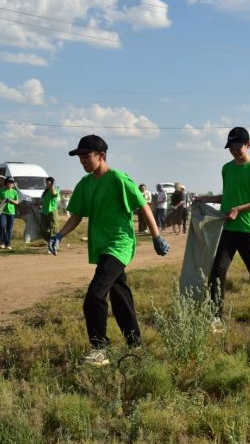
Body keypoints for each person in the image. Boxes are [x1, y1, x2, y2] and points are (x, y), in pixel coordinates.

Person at [48, 134, 170, 366]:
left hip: (119, 244)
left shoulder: (118, 179)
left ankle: (99, 349)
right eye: (80, 157)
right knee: (119, 294)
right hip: (102, 246)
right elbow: (77, 215)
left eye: (86, 156)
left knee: (95, 295)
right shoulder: (85, 184)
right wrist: (59, 235)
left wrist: (157, 237)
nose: (83, 161)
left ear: (101, 155)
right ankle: (135, 345)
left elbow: (143, 205)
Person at [195, 126, 250, 318]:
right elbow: (228, 197)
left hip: (247, 230)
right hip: (227, 230)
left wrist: (239, 209)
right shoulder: (227, 169)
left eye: (238, 147)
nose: (234, 151)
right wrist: (206, 198)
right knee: (217, 273)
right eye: (231, 148)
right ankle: (216, 317)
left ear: (248, 145)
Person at [0, 177, 19, 249]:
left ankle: (8, 244)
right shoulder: (2, 191)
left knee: (9, 229)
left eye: (12, 182)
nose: (11, 183)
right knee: (2, 226)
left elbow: (17, 202)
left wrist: (10, 200)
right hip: (2, 211)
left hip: (11, 212)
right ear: (6, 183)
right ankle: (2, 242)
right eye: (10, 182)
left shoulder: (14, 192)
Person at [40, 176, 59, 242]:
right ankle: (51, 241)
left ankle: (53, 243)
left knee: (53, 228)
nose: (46, 183)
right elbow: (43, 201)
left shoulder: (55, 189)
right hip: (44, 211)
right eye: (46, 182)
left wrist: (52, 186)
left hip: (52, 211)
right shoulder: (45, 191)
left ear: (52, 183)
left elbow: (54, 194)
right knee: (43, 229)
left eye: (48, 182)